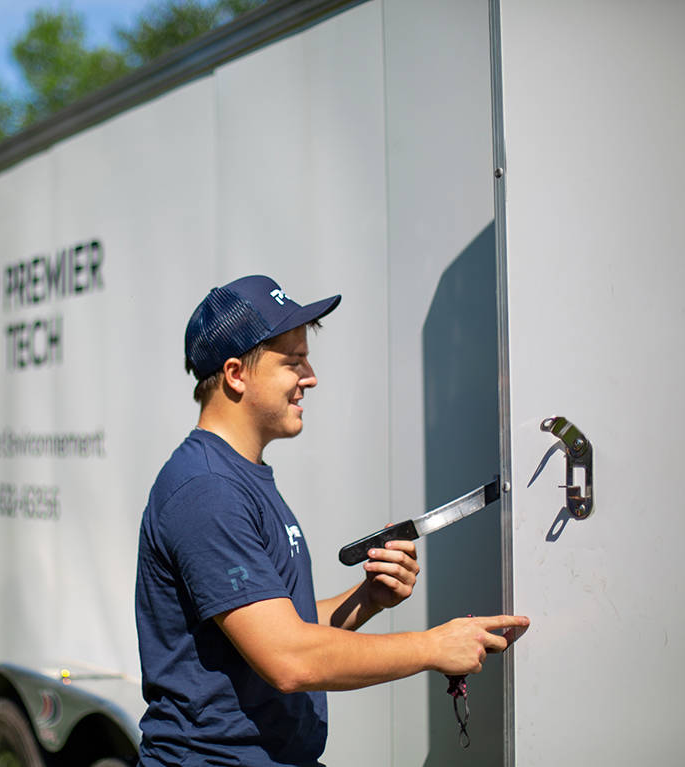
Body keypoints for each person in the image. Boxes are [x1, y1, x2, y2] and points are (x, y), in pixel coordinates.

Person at [135, 275, 529, 767]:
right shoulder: (206, 489)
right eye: (293, 360)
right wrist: (432, 647)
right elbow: (288, 658)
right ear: (236, 374)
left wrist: (366, 600)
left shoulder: (239, 476)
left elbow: (279, 625)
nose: (311, 376)